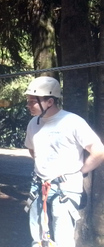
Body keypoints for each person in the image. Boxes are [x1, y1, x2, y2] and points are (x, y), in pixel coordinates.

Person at [24, 76, 104, 247]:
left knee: (63, 239)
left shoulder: (72, 122)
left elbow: (99, 151)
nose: (28, 105)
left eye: (32, 101)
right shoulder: (33, 123)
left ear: (50, 102)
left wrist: (79, 172)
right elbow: (33, 150)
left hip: (65, 189)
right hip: (39, 185)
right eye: (28, 101)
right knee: (37, 238)